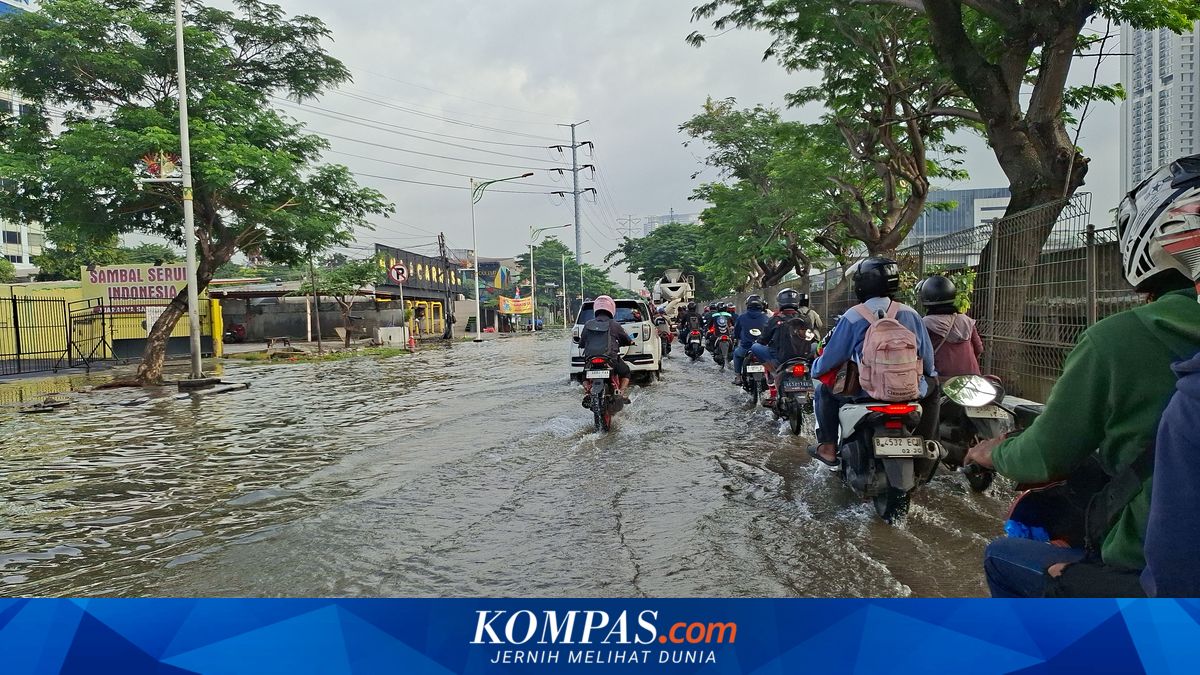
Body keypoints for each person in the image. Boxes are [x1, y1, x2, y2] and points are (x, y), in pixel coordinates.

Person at [966, 158, 1200, 598]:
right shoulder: (953, 325)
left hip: (1149, 565)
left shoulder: (1118, 338)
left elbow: (1045, 455)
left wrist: (992, 452)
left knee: (1001, 555)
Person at [808, 257, 937, 466]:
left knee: (823, 390)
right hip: (911, 391)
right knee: (935, 387)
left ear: (861, 284)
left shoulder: (853, 316)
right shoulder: (911, 314)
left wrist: (815, 369)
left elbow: (831, 358)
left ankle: (829, 447)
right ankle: (929, 443)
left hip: (864, 392)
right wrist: (928, 377)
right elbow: (928, 361)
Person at [750, 289, 812, 405]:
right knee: (815, 347)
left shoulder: (775, 319)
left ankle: (773, 372)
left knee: (755, 347)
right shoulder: (806, 319)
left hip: (781, 359)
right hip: (803, 358)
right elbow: (811, 337)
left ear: (780, 303)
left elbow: (763, 340)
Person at [917, 275, 983, 379]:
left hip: (942, 381)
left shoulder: (925, 324)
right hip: (972, 380)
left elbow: (920, 355)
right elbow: (979, 349)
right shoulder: (967, 321)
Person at [579, 295, 635, 406]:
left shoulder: (588, 324)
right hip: (610, 359)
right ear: (611, 309)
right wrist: (630, 342)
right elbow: (625, 339)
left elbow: (582, 342)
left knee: (584, 375)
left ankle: (587, 391)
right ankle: (621, 392)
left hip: (591, 359)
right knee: (626, 372)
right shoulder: (614, 324)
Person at [732, 294, 770, 385]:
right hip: (761, 349)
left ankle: (738, 377)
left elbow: (736, 333)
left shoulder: (741, 317)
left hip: (745, 348)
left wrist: (738, 338)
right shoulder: (767, 318)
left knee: (736, 354)